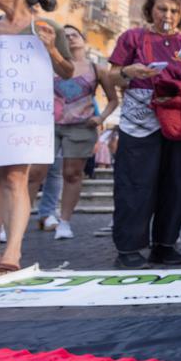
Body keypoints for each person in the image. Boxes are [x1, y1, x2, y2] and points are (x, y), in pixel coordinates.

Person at [108, 0, 181, 268]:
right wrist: (129, 71)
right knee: (135, 183)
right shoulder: (132, 37)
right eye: (163, 8)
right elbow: (111, 73)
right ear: (151, 9)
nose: (169, 15)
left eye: (175, 10)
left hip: (179, 117)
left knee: (176, 184)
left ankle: (165, 245)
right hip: (140, 118)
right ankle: (128, 248)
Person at [0, 0, 72, 278]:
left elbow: (67, 72)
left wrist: (49, 49)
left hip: (25, 115)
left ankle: (12, 252)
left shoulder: (46, 27)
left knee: (14, 179)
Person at [28, 25, 119, 240]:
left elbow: (113, 99)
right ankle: (15, 224)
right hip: (47, 124)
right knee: (34, 174)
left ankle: (65, 222)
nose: (70, 39)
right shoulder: (49, 64)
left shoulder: (97, 69)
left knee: (72, 174)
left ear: (83, 39)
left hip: (81, 126)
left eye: (74, 35)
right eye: (65, 36)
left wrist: (101, 117)